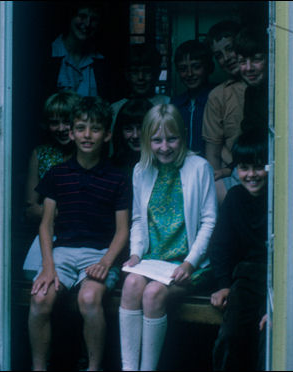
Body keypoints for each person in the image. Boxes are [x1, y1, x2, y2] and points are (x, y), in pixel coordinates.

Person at [29, 96, 130, 371]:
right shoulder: (57, 174)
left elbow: (123, 231)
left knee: (88, 298)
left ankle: (93, 367)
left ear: (107, 134)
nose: (87, 135)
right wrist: (48, 267)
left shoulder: (117, 178)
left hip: (99, 254)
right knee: (40, 298)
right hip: (62, 254)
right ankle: (39, 367)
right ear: (71, 132)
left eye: (95, 128)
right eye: (81, 128)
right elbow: (46, 225)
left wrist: (106, 263)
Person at [118, 104, 217, 371]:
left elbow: (209, 222)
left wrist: (190, 263)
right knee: (130, 286)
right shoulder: (142, 170)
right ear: (147, 141)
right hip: (153, 258)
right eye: (157, 140)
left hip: (188, 263)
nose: (164, 147)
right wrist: (136, 253)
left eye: (171, 139)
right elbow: (139, 219)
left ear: (182, 137)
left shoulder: (200, 168)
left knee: (152, 295)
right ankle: (129, 367)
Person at [209, 129, 269, 370]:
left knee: (269, 335)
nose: (251, 175)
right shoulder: (234, 198)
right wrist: (224, 284)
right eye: (244, 168)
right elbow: (220, 246)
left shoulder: (281, 197)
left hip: (276, 280)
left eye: (258, 167)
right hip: (246, 278)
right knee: (231, 335)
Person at [23, 91, 81, 279]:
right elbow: (31, 209)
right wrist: (67, 214)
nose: (61, 128)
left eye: (67, 122)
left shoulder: (87, 153)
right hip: (50, 233)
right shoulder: (40, 154)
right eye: (55, 123)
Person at [202, 20, 245, 205]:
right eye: (219, 55)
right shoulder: (218, 96)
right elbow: (212, 154)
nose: (226, 58)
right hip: (234, 178)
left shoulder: (265, 84)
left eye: (230, 48)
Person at [44, 3, 115, 101]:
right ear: (71, 17)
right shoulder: (47, 55)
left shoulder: (103, 62)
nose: (87, 24)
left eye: (93, 19)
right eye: (82, 16)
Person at [111, 43, 170, 136]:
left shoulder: (168, 104)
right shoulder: (115, 109)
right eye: (135, 72)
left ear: (156, 74)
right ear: (127, 75)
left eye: (146, 71)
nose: (140, 77)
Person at [171, 39, 216, 155]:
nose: (190, 73)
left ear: (208, 67)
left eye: (196, 67)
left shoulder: (217, 99)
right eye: (183, 69)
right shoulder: (175, 104)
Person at [234, 26, 269, 138]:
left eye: (256, 59)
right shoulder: (251, 92)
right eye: (242, 61)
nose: (248, 68)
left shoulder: (292, 91)